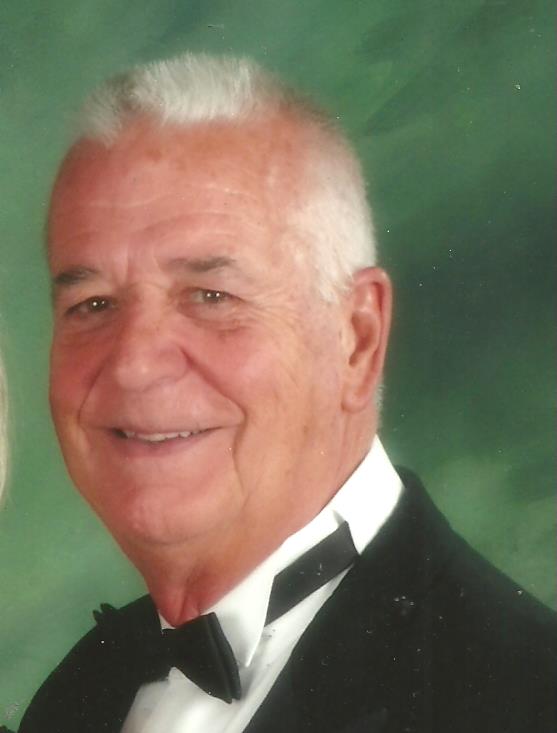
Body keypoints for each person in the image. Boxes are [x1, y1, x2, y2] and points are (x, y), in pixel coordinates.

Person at [16, 53, 556, 733]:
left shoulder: (526, 699)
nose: (133, 364)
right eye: (92, 304)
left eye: (211, 296)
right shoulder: (78, 691)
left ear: (356, 339)